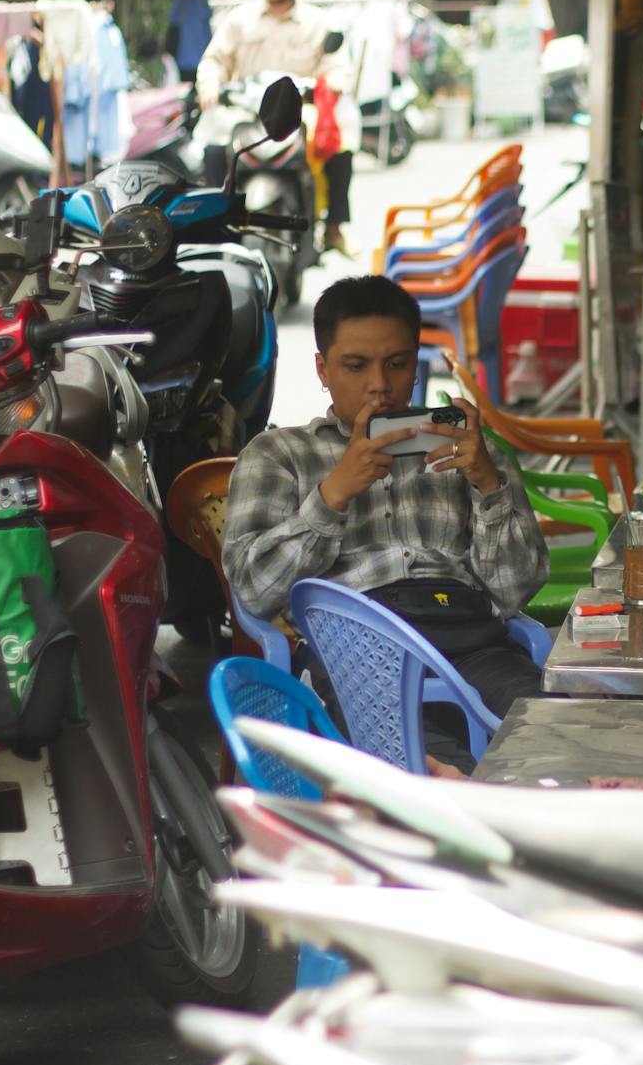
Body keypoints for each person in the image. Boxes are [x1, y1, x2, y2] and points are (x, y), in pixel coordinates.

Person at [223, 276, 550, 773]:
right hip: (356, 653)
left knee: (556, 739)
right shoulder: (278, 456)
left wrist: (488, 483)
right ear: (323, 369)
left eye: (397, 364)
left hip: (470, 641)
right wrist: (333, 494)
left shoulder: (463, 451)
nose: (380, 384)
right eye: (356, 366)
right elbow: (253, 590)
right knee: (431, 770)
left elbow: (515, 590)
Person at [196, 0, 359, 255]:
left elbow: (336, 65)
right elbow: (214, 61)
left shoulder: (317, 22)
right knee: (213, 151)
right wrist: (210, 84)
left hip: (298, 112)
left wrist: (335, 80)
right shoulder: (239, 20)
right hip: (247, 112)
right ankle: (216, 226)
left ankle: (334, 229)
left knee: (341, 147)